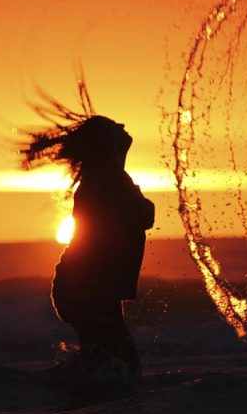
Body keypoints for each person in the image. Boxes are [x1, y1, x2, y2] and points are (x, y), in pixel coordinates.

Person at [20, 84, 154, 375]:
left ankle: (79, 403)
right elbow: (145, 214)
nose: (123, 127)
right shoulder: (110, 180)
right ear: (107, 144)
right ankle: (80, 403)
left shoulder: (104, 177)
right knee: (122, 366)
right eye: (115, 128)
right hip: (88, 286)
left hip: (85, 285)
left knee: (108, 362)